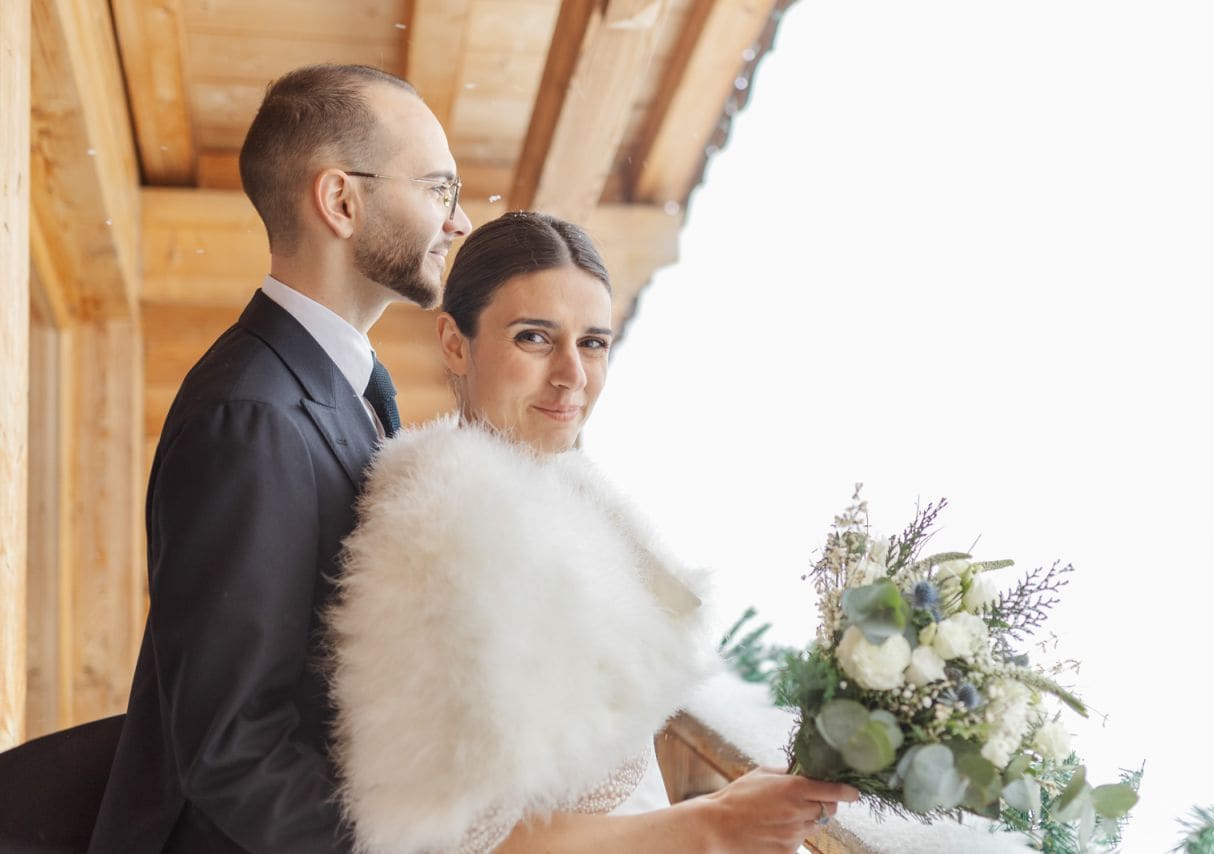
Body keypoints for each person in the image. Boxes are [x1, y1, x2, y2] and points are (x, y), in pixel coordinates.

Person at [328, 211, 859, 854]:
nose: (572, 375)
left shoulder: (573, 495)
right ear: (454, 341)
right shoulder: (439, 537)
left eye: (593, 342)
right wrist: (710, 826)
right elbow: (449, 840)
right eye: (533, 338)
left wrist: (727, 807)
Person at [89, 64, 471, 852]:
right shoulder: (251, 415)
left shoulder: (353, 386)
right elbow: (234, 746)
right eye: (439, 188)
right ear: (340, 200)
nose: (458, 221)